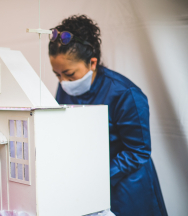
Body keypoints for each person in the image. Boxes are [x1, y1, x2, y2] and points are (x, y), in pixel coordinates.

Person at [48, 15, 167, 216]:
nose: (63, 82)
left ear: (92, 63)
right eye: (57, 75)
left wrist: (100, 177)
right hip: (88, 183)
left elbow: (138, 151)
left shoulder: (126, 94)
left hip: (128, 187)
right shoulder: (65, 90)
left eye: (69, 74)